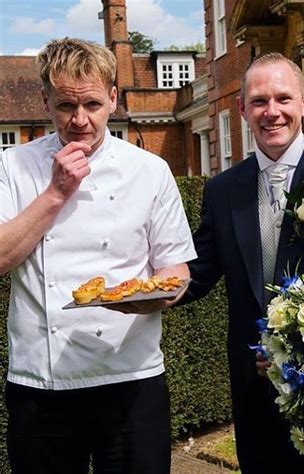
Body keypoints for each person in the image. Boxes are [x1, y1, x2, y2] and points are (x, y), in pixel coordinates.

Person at [0, 38, 196, 474]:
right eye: (66, 106)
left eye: (91, 103)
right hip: (41, 382)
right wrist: (55, 193)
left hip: (131, 376)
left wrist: (160, 295)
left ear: (112, 99)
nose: (80, 120)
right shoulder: (13, 166)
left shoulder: (149, 170)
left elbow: (175, 268)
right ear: (46, 101)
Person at [182, 52, 304, 473]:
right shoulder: (223, 190)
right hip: (252, 384)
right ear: (241, 109)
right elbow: (200, 271)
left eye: (283, 98)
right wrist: (144, 290)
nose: (271, 112)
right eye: (259, 101)